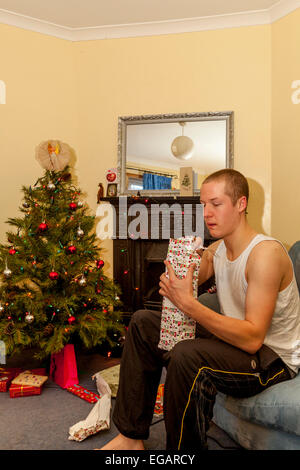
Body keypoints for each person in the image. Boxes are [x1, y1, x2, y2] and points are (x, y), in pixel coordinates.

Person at [100, 169, 300, 450]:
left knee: (186, 355)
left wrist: (189, 305)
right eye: (203, 205)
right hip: (236, 342)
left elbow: (253, 337)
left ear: (241, 204)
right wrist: (179, 268)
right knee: (143, 322)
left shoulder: (265, 254)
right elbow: (193, 274)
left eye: (216, 204)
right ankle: (130, 438)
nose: (206, 213)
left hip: (271, 357)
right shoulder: (218, 249)